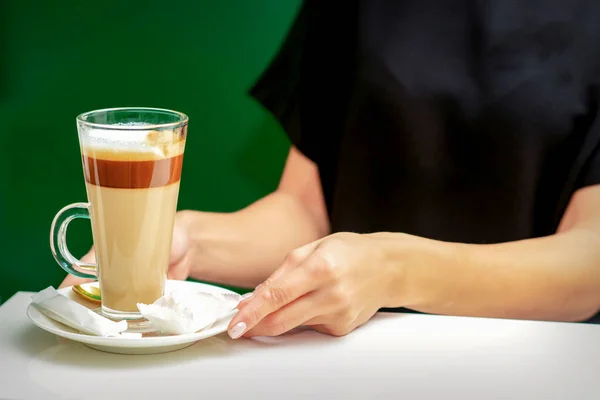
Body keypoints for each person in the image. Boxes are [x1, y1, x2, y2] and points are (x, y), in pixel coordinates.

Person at [62, 0, 600, 340]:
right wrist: (186, 239)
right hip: (355, 358)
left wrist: (395, 270)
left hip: (540, 361)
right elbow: (305, 209)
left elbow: (589, 262)